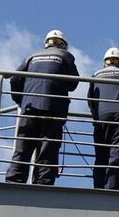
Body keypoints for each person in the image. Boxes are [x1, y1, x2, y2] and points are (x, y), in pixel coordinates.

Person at [5, 30, 79, 185]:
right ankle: (43, 183)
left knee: (23, 146)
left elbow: (15, 79)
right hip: (53, 109)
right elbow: (74, 83)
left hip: (30, 108)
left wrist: (20, 101)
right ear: (63, 45)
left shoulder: (31, 56)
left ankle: (14, 180)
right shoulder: (65, 56)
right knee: (47, 148)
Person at [86, 47, 119, 190]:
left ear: (105, 62)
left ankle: (98, 188)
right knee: (118, 153)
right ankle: (112, 189)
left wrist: (96, 115)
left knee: (101, 153)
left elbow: (90, 100)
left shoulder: (95, 75)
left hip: (102, 116)